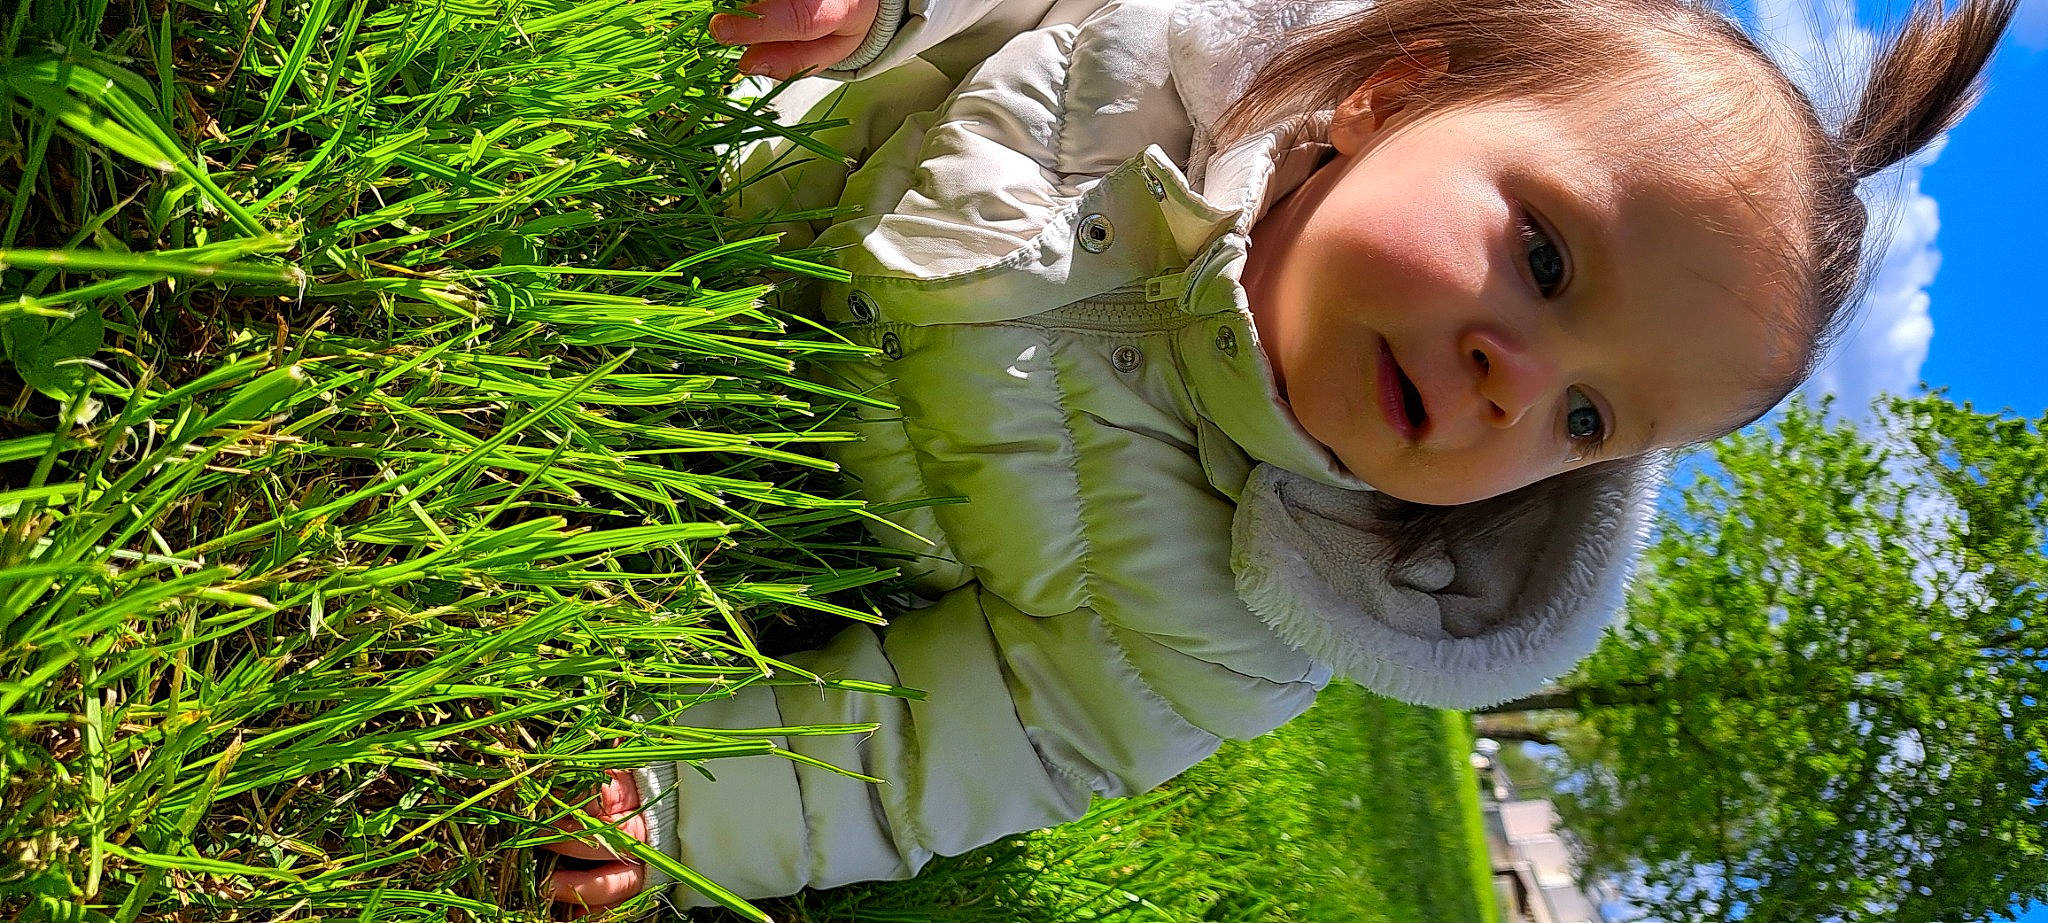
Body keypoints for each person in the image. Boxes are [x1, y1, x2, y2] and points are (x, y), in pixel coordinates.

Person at [533, 0, 2016, 913]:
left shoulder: (1238, 624)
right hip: (721, 152)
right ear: (1390, 96)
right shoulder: (1163, 49)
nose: (1521, 380)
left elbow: (975, 745)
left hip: (800, 449)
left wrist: (691, 803)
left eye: (1587, 420)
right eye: (1548, 260)